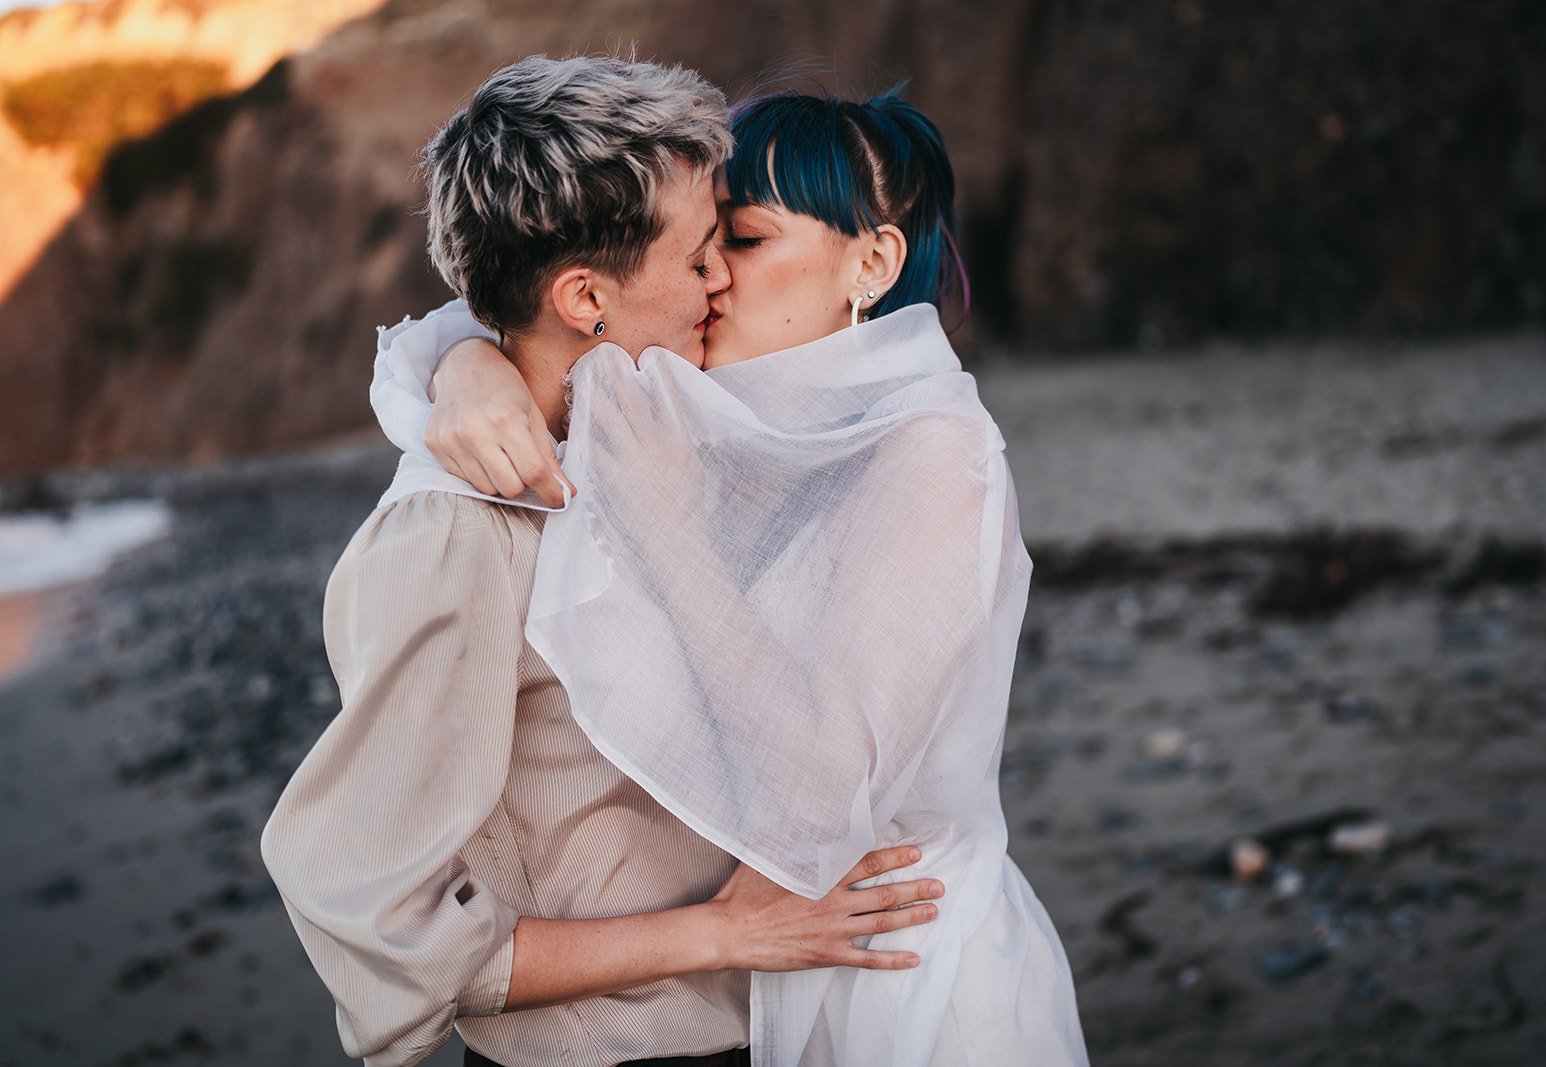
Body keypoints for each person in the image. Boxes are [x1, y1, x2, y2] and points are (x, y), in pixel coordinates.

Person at [260, 56, 946, 1067]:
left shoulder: (657, 434)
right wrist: (720, 933)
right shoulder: (454, 536)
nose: (724, 279)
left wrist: (467, 360)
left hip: (769, 1019)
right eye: (700, 253)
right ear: (586, 297)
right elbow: (375, 910)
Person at [384, 88, 1092, 1065]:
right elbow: (508, 319)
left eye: (747, 241)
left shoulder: (934, 457)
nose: (711, 277)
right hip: (769, 974)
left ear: (873, 262)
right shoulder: (739, 423)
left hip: (898, 969)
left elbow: (814, 804)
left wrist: (672, 529)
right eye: (705, 244)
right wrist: (470, 367)